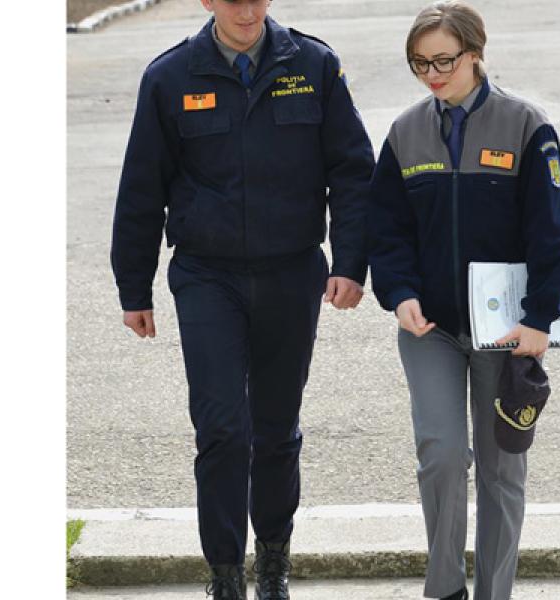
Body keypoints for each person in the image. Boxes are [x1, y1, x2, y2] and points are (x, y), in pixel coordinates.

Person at [109, 0, 374, 597]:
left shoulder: (313, 64)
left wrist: (351, 262)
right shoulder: (170, 77)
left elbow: (353, 170)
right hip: (208, 276)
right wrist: (134, 285)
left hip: (292, 272)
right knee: (223, 428)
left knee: (276, 429)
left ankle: (273, 561)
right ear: (207, 1)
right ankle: (225, 573)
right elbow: (141, 186)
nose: (248, 9)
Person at [367, 2, 560, 599]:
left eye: (444, 61)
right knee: (441, 453)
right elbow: (387, 230)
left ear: (476, 54)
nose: (432, 74)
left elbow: (550, 232)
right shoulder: (405, 133)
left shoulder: (526, 127)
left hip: (503, 332)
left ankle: (494, 592)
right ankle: (445, 588)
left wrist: (540, 318)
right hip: (429, 328)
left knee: (501, 466)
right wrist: (399, 293)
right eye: (419, 63)